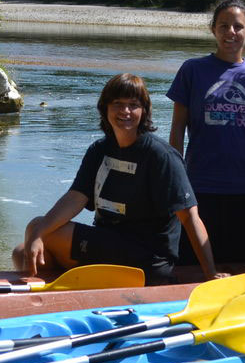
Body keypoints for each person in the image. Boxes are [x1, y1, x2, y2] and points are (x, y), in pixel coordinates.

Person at [12, 73, 225, 284]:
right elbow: (76, 197)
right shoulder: (99, 150)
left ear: (144, 111)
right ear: (105, 108)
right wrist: (38, 233)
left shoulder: (161, 156)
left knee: (40, 230)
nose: (125, 111)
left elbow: (189, 217)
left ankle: (52, 296)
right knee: (22, 251)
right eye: (117, 103)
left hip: (147, 259)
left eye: (133, 104)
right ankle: (47, 299)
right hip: (108, 243)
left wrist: (210, 272)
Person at [166, 0, 245, 266]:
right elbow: (177, 131)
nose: (231, 32)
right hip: (199, 190)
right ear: (213, 30)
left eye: (238, 26)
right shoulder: (192, 70)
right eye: (224, 25)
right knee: (195, 270)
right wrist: (175, 184)